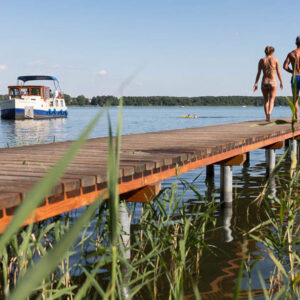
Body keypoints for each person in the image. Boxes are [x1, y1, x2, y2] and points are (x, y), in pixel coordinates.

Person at [253, 46, 283, 121]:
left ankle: (267, 116)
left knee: (266, 100)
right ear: (272, 52)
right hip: (273, 81)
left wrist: (256, 83)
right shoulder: (275, 60)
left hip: (264, 82)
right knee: (272, 99)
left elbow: (259, 73)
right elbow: (278, 72)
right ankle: (269, 112)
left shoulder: (261, 60)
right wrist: (281, 81)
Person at [283, 36, 300, 121]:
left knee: (295, 98)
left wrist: (292, 72)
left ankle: (297, 117)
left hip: (295, 77)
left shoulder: (291, 54)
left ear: (296, 43)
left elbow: (285, 66)